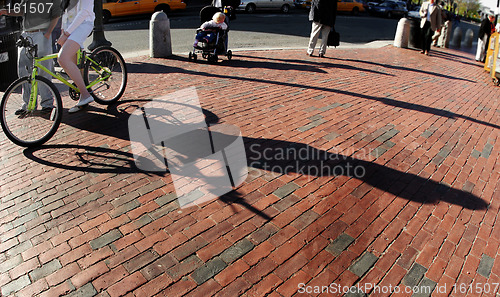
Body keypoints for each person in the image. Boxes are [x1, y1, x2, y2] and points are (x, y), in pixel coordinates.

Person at [0, 0, 61, 115]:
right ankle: (27, 104)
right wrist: (5, 11)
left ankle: (47, 104)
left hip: (42, 34)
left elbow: (56, 14)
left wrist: (47, 34)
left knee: (43, 70)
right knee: (23, 71)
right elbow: (22, 11)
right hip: (26, 34)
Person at [57, 0, 95, 113]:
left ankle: (85, 94)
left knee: (62, 58)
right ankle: (82, 95)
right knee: (71, 62)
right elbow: (65, 12)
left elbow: (84, 12)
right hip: (70, 28)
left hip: (84, 24)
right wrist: (63, 32)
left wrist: (66, 34)